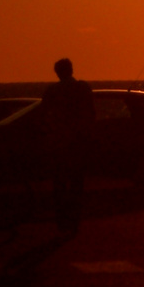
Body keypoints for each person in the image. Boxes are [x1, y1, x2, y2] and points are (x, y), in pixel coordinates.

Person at [40, 57, 95, 235]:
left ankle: (62, 219)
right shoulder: (83, 88)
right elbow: (91, 114)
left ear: (57, 72)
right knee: (77, 182)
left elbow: (44, 116)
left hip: (59, 142)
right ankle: (74, 219)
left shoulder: (52, 91)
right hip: (79, 141)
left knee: (59, 183)